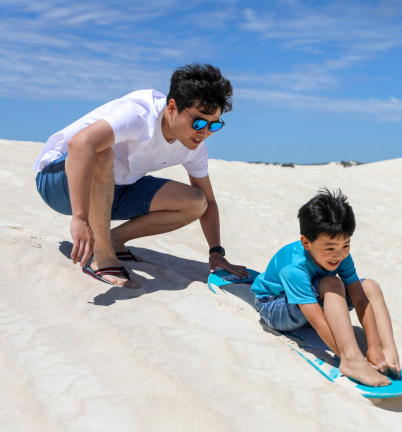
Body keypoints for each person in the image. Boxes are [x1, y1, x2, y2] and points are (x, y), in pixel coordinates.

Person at [33, 63, 248, 288]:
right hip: (59, 180)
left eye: (214, 126)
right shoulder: (140, 114)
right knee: (101, 152)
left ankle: (114, 239)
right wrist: (79, 217)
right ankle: (103, 256)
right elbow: (80, 144)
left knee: (196, 202)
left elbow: (209, 202)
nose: (204, 132)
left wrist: (216, 251)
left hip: (114, 189)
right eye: (199, 122)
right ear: (172, 107)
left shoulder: (194, 147)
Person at [251, 188, 402, 387]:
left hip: (314, 295)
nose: (338, 255)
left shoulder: (341, 255)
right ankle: (351, 361)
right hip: (275, 305)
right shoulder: (293, 268)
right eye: (330, 248)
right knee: (332, 283)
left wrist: (373, 346)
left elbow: (360, 298)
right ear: (306, 242)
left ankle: (387, 350)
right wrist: (345, 354)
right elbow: (317, 321)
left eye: (345, 245)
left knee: (369, 286)